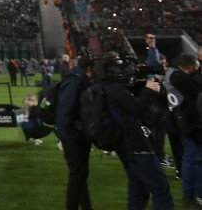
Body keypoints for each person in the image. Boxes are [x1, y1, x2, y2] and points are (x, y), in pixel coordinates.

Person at [99, 52, 174, 210]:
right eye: (120, 65)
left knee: (138, 190)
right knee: (161, 189)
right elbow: (137, 109)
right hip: (136, 144)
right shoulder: (116, 89)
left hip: (125, 145)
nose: (125, 69)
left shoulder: (107, 87)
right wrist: (148, 90)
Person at [55, 56, 94, 210]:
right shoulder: (74, 82)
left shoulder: (77, 80)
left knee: (80, 175)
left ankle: (86, 207)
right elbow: (65, 113)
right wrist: (71, 134)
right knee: (77, 175)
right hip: (72, 137)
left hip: (74, 135)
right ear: (89, 69)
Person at [168, 54, 202, 207]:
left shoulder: (172, 75)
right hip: (189, 125)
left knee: (191, 159)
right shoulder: (179, 78)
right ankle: (191, 196)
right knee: (193, 159)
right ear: (191, 67)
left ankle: (192, 195)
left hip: (181, 123)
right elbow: (196, 89)